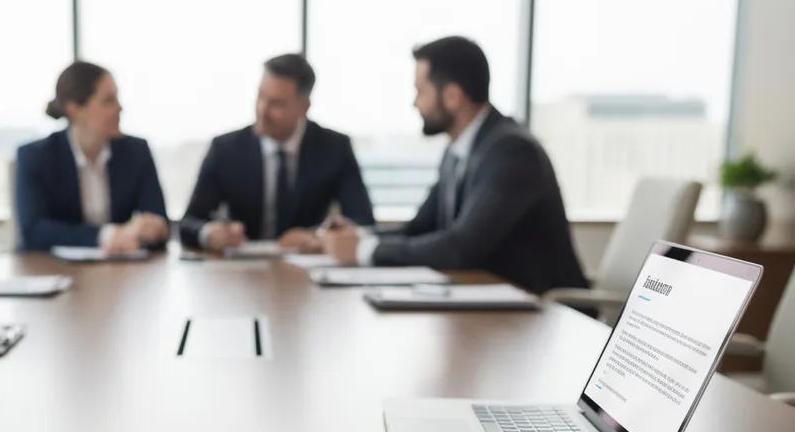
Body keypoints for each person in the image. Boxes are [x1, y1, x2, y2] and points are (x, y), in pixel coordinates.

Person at [320, 36, 588, 295]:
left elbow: (461, 247)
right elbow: (420, 228)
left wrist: (364, 249)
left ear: (452, 96)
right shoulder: (458, 150)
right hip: (485, 302)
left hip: (542, 311)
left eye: (420, 91)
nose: (415, 103)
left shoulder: (512, 151)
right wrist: (355, 236)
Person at [178, 54, 375, 253]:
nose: (262, 110)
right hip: (242, 265)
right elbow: (189, 223)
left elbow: (363, 220)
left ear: (304, 108)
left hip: (306, 264)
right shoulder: (225, 149)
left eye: (276, 103)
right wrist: (210, 233)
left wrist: (318, 236)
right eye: (260, 96)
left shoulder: (335, 148)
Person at [15, 61, 170, 253]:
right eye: (108, 101)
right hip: (53, 267)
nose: (120, 108)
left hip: (121, 267)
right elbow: (33, 232)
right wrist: (107, 236)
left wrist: (151, 228)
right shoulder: (36, 156)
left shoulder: (136, 152)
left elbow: (158, 218)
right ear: (74, 110)